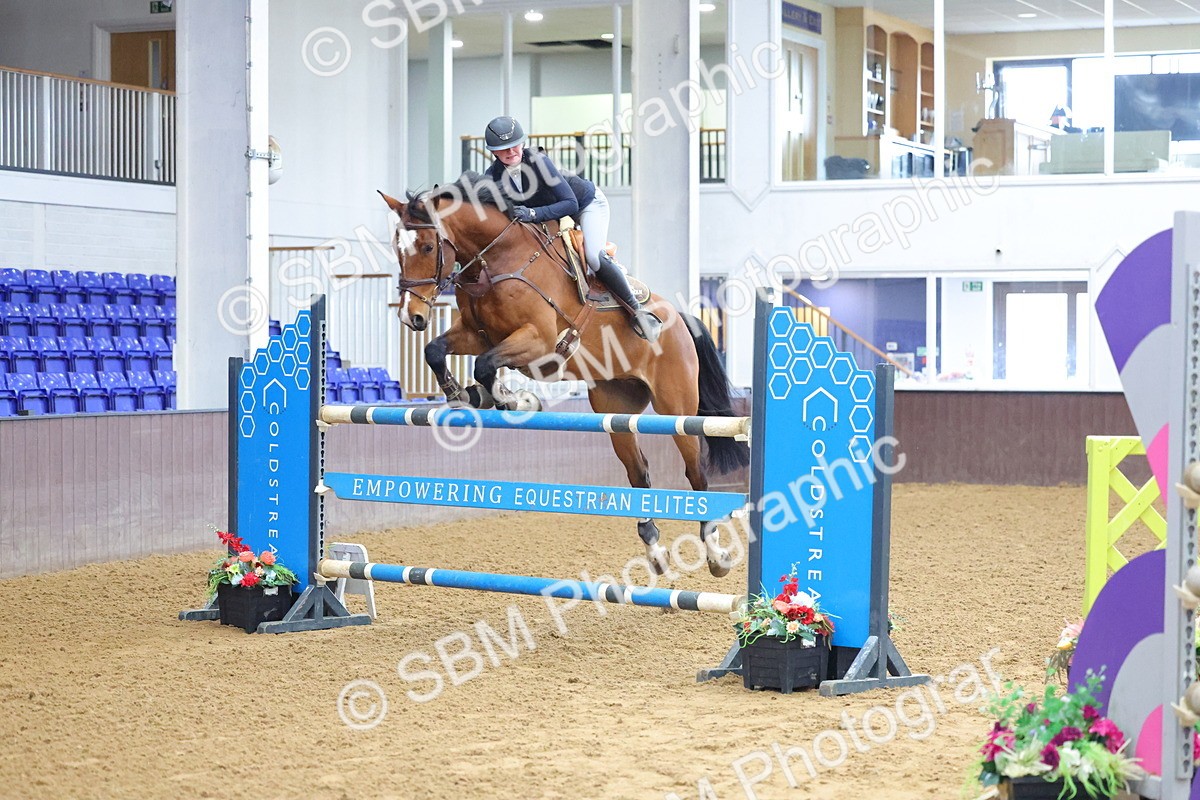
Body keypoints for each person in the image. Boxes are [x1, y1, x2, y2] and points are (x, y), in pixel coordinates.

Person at [483, 115, 662, 343]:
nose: (511, 152)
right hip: (551, 216)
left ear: (523, 142)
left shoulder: (538, 161)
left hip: (585, 205)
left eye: (515, 145)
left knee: (593, 258)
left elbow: (570, 204)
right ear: (494, 153)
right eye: (504, 149)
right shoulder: (492, 177)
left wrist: (532, 214)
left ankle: (638, 313)